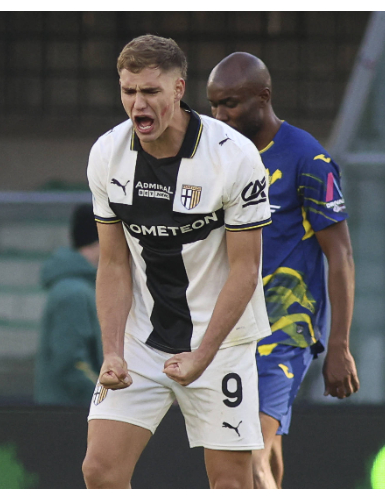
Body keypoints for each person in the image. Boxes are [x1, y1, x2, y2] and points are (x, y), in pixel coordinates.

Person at [82, 35, 273, 489]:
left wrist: (202, 356)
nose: (137, 104)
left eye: (150, 91)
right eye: (129, 91)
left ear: (178, 89)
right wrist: (112, 351)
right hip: (141, 341)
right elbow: (112, 264)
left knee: (230, 484)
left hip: (219, 342)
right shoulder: (107, 154)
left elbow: (246, 270)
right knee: (100, 470)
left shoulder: (234, 157)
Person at [207, 52, 360, 489]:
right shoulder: (218, 157)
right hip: (229, 330)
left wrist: (339, 346)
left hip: (284, 332)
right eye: (214, 105)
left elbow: (342, 256)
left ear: (264, 96)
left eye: (231, 104)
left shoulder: (307, 159)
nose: (220, 116)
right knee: (265, 450)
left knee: (248, 451)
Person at [33, 203, 103, 406]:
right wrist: (109, 401)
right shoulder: (73, 293)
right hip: (70, 415)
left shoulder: (83, 289)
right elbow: (72, 363)